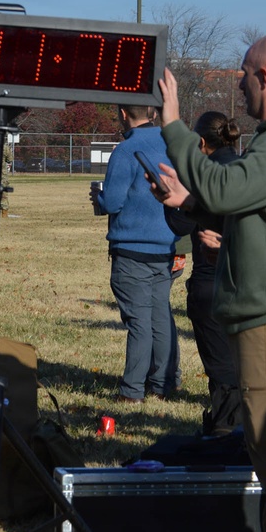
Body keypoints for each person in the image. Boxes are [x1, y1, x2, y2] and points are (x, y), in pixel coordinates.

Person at [154, 34, 266, 532]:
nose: (237, 84)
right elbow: (259, 216)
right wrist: (192, 204)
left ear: (265, 77)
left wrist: (173, 125)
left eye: (243, 74)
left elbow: (226, 188)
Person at [89, 104, 178, 404]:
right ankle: (163, 383)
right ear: (152, 112)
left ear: (123, 114)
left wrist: (98, 198)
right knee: (160, 317)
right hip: (166, 245)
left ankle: (132, 390)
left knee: (139, 321)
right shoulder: (172, 145)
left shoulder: (126, 150)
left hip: (132, 248)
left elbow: (113, 202)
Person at [161, 111, 242, 437]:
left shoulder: (206, 175)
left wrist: (172, 197)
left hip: (211, 282)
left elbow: (179, 224)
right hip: (245, 283)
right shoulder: (244, 169)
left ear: (201, 142)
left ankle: (226, 430)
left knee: (222, 369)